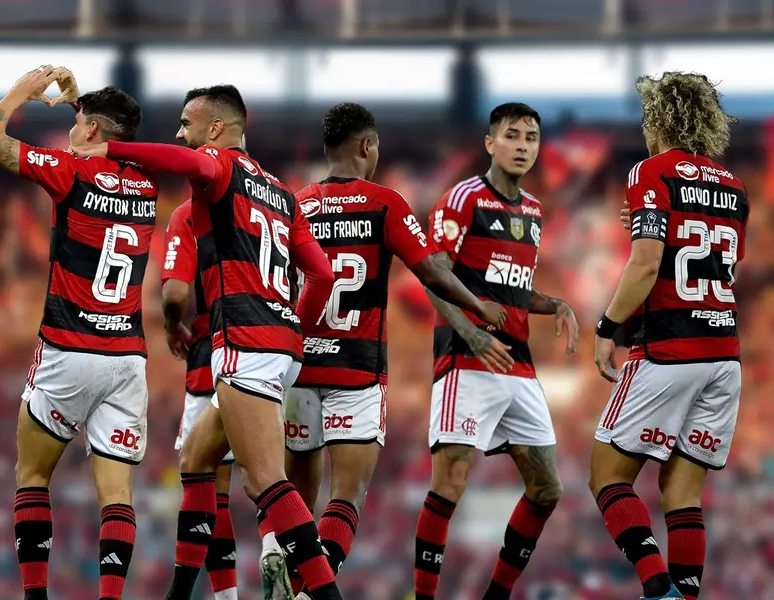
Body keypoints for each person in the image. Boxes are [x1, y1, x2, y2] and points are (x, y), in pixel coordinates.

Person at [71, 84, 344, 600]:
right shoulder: (282, 193)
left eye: (186, 123)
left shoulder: (219, 165)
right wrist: (292, 327)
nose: (180, 133)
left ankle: (325, 595)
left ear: (215, 129)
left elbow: (183, 161)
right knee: (197, 460)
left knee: (265, 481)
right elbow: (323, 275)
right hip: (280, 344)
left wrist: (110, 148)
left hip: (244, 338)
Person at [283, 103, 507, 597]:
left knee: (296, 497)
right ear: (367, 146)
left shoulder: (296, 204)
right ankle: (308, 592)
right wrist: (479, 306)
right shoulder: (385, 203)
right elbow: (431, 271)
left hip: (299, 367)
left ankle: (281, 563)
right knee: (348, 494)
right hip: (357, 371)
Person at [0, 66, 151, 600]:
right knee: (117, 497)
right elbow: (102, 139)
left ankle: (35, 597)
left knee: (32, 476)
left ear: (92, 131)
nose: (71, 133)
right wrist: (78, 104)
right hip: (127, 359)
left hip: (70, 349)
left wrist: (21, 93)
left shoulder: (71, 173)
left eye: (78, 125)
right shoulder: (144, 179)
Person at [589, 71, 747, 600]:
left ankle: (658, 589)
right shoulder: (733, 186)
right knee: (682, 492)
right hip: (724, 354)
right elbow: (725, 271)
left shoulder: (649, 171)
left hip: (667, 350)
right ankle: (684, 592)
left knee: (607, 477)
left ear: (657, 120)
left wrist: (608, 327)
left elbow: (647, 264)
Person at [413, 103, 580, 600]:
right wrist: (473, 334)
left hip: (519, 363)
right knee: (451, 482)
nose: (523, 145)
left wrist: (556, 305)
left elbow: (513, 288)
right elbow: (433, 275)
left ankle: (497, 595)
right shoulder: (461, 198)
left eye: (531, 137)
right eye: (512, 135)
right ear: (490, 143)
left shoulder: (532, 210)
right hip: (467, 359)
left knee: (547, 488)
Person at [161, 199, 240, 600]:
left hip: (214, 344)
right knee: (269, 475)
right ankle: (277, 548)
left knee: (204, 477)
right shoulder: (276, 198)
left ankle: (205, 596)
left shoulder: (189, 212)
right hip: (274, 344)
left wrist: (171, 325)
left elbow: (175, 294)